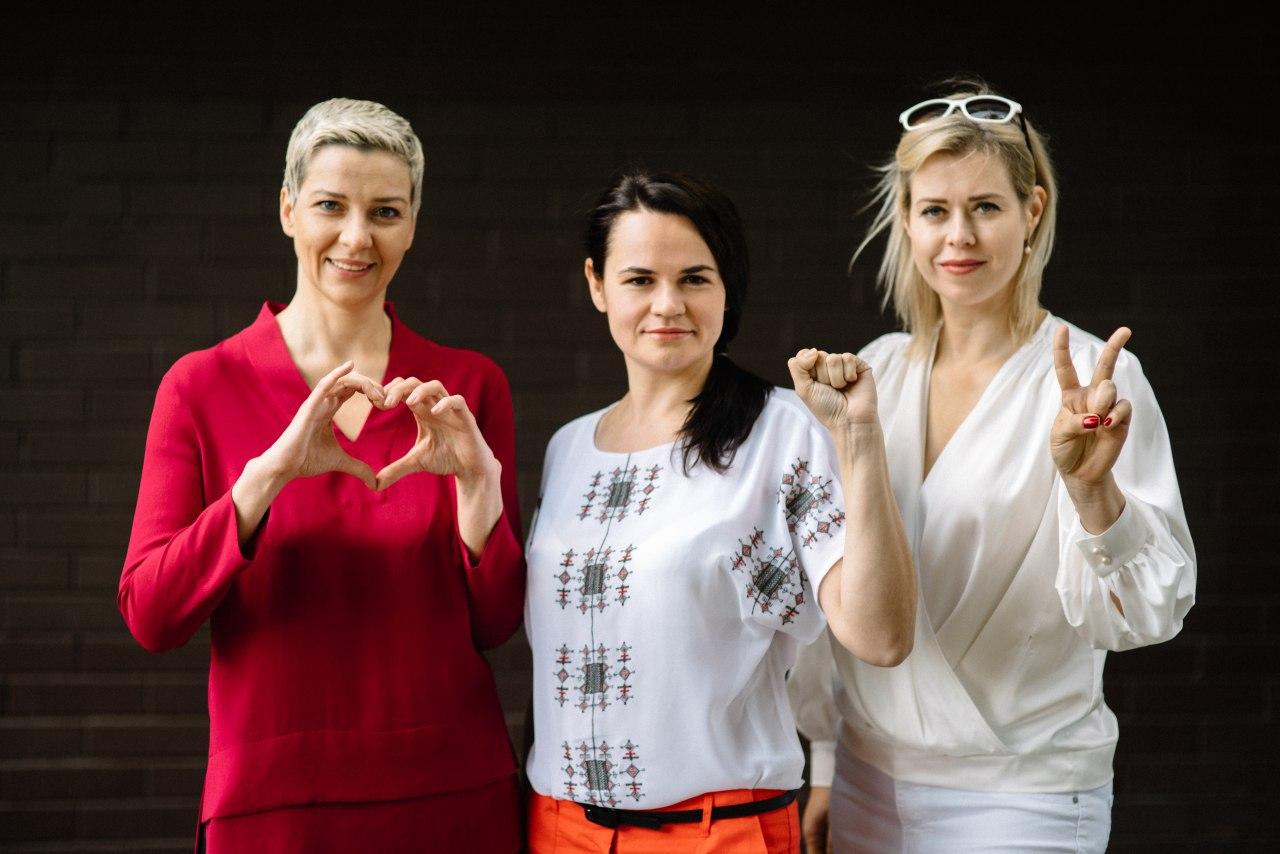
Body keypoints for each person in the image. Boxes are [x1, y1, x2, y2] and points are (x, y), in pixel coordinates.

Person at [789, 83, 1197, 852]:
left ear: (1032, 210)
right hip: (867, 783)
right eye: (935, 211)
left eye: (985, 207)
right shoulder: (879, 374)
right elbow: (835, 585)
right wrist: (826, 761)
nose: (959, 237)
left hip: (1024, 793)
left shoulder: (1094, 383)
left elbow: (1147, 615)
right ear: (907, 221)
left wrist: (1092, 490)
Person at [118, 98, 525, 852]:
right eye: (330, 206)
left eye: (386, 212)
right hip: (272, 806)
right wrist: (265, 478)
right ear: (287, 210)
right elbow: (151, 615)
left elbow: (497, 623)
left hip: (454, 795)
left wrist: (478, 492)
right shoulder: (200, 386)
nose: (357, 236)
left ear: (413, 225)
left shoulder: (465, 389)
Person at [523, 171, 917, 853]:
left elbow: (881, 637)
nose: (668, 304)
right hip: (560, 830)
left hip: (716, 833)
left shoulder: (782, 433)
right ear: (597, 284)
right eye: (640, 279)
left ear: (726, 287)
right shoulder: (569, 450)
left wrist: (857, 441)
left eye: (695, 279)